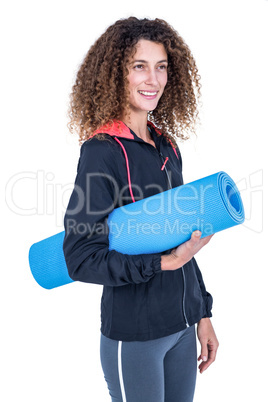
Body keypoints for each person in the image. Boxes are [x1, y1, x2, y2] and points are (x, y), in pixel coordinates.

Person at [63, 17, 219, 402]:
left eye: (162, 66)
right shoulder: (102, 152)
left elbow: (184, 240)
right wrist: (163, 263)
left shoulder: (167, 147)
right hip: (134, 338)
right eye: (139, 66)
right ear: (117, 73)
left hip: (182, 330)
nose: (153, 79)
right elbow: (80, 257)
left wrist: (202, 315)